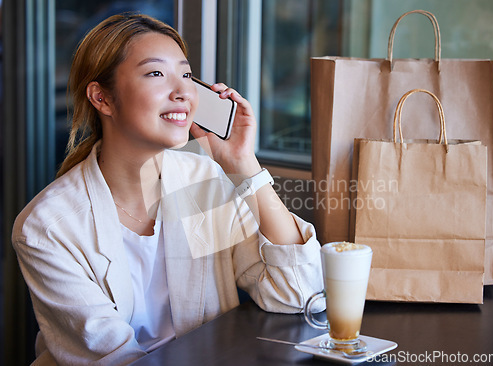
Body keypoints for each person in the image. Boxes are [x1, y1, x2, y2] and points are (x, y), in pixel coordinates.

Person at [12, 13, 324, 365]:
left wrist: (244, 166)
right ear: (102, 98)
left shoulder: (202, 179)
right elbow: (115, 358)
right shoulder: (47, 227)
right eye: (156, 73)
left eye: (187, 75)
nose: (182, 92)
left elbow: (299, 295)